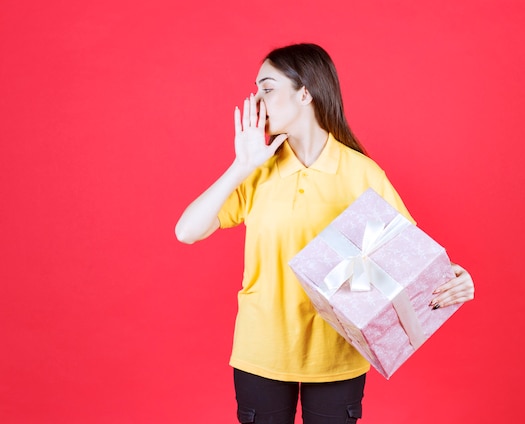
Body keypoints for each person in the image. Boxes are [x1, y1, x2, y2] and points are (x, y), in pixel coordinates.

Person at [175, 43, 475, 424]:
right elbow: (186, 231)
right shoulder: (257, 172)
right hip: (261, 351)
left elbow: (409, 260)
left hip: (338, 354)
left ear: (305, 93)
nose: (256, 100)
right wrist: (242, 164)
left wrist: (456, 279)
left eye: (267, 88)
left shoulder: (361, 173)